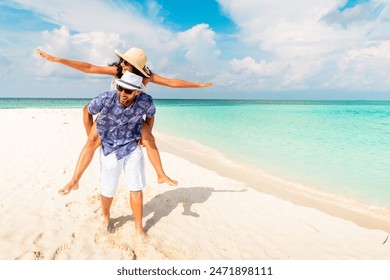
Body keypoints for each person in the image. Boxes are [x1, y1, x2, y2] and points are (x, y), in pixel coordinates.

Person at [35, 48, 213, 194]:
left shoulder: (147, 76)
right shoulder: (117, 71)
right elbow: (89, 68)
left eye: (126, 62)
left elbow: (172, 83)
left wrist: (197, 85)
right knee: (92, 140)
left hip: (133, 115)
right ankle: (74, 181)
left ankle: (161, 174)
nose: (122, 63)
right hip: (111, 114)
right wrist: (57, 60)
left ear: (136, 66)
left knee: (149, 139)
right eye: (122, 60)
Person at [87, 71, 155, 239]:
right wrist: (90, 135)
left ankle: (139, 228)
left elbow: (151, 115)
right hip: (109, 148)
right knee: (108, 188)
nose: (123, 93)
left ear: (137, 92)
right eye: (120, 88)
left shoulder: (146, 101)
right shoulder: (105, 98)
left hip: (132, 147)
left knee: (136, 188)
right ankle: (106, 217)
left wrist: (144, 135)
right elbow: (88, 111)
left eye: (128, 91)